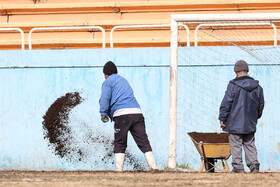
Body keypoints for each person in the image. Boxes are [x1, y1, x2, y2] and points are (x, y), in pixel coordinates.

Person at [99, 61, 157, 172]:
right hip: (137, 113)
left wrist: (103, 113)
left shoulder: (107, 82)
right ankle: (153, 167)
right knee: (143, 141)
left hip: (122, 115)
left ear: (106, 74)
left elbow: (105, 98)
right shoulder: (123, 80)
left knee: (120, 142)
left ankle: (119, 170)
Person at [219, 60, 264, 173]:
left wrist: (222, 118)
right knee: (250, 143)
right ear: (246, 71)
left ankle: (238, 168)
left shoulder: (233, 85)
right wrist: (255, 117)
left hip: (234, 121)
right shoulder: (258, 87)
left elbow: (226, 102)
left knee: (236, 144)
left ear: (237, 72)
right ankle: (254, 165)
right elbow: (261, 105)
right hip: (250, 121)